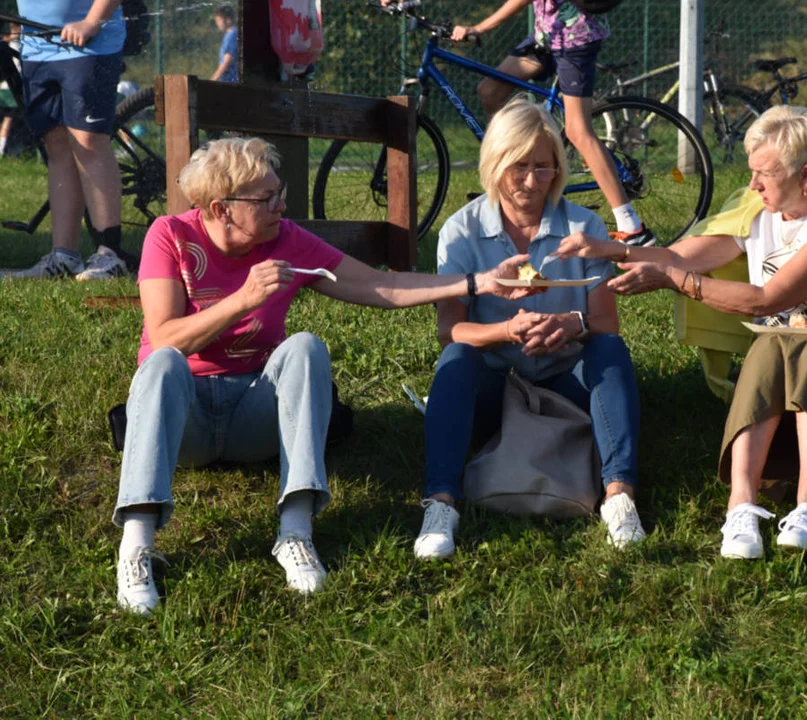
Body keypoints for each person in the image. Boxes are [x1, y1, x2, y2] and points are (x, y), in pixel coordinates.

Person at [113, 137, 539, 614]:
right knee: (163, 361)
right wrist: (241, 301)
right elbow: (166, 334)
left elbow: (382, 284)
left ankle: (295, 534)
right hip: (181, 421)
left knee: (306, 347)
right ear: (222, 209)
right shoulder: (169, 234)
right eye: (267, 198)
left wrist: (479, 282)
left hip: (253, 416)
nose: (282, 205)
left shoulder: (286, 239)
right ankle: (137, 545)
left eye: (282, 192)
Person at [550, 105, 807, 558]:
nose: (752, 185)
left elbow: (768, 299)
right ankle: (741, 508)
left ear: (806, 175)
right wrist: (606, 249)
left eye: (764, 175)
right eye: (752, 173)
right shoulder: (756, 210)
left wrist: (679, 284)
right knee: (774, 341)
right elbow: (680, 258)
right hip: (780, 369)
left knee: (806, 345)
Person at [413, 98, 646, 560]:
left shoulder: (583, 224)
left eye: (544, 167)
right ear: (494, 164)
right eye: (518, 167)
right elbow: (450, 331)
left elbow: (605, 323)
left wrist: (571, 324)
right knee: (456, 361)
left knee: (610, 351)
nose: (531, 182)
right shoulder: (460, 232)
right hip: (493, 387)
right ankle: (440, 503)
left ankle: (620, 496)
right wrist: (506, 330)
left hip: (565, 381)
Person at [381, 0, 653, 246]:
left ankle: (631, 226)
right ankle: (508, 170)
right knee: (490, 91)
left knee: (577, 129)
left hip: (574, 37)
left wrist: (480, 27)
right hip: (545, 36)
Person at [6, 0, 132, 280]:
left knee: (88, 141)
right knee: (57, 146)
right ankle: (64, 256)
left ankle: (110, 255)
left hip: (90, 44)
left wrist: (91, 22)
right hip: (37, 49)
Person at [0, 22, 21, 158]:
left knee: (7, 120)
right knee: (7, 120)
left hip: (6, 89)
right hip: (9, 90)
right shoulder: (15, 45)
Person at [210, 5, 237, 84]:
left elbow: (226, 62)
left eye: (219, 20)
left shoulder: (232, 35)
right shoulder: (229, 35)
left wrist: (212, 80)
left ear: (228, 20)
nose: (217, 23)